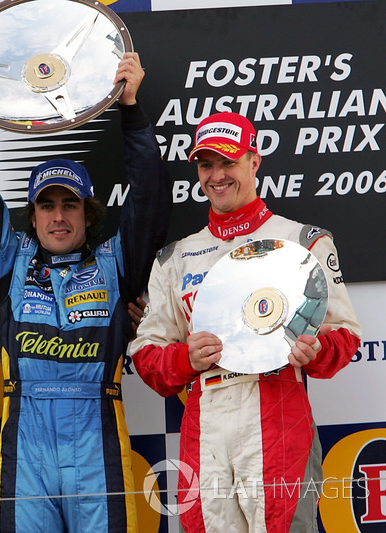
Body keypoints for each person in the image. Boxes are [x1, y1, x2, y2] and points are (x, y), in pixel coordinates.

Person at [0, 50, 172, 532]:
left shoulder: (117, 261)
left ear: (89, 213)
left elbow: (149, 199)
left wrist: (130, 108)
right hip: (27, 439)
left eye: (70, 204)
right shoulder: (11, 259)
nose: (59, 215)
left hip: (98, 436)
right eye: (47, 205)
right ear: (32, 215)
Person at [128, 111, 362, 532]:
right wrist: (186, 359)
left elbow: (344, 336)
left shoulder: (303, 240)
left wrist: (316, 350)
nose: (216, 175)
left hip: (277, 407)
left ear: (254, 161)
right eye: (206, 164)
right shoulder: (174, 258)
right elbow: (147, 355)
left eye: (228, 162)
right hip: (207, 418)